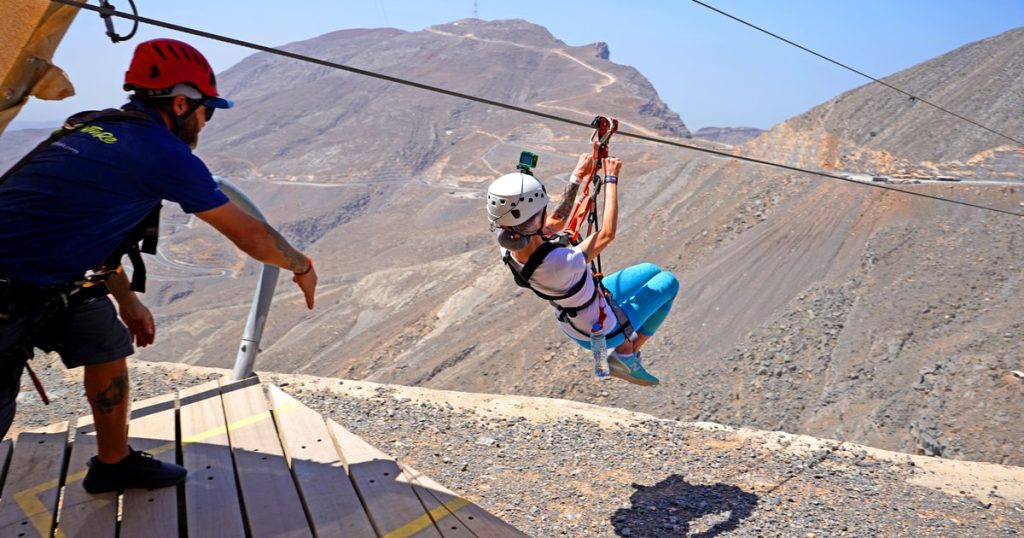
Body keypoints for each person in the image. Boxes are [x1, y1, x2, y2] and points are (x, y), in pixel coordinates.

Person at [0, 38, 318, 494]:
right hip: (11, 290)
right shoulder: (162, 152)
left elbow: (82, 230)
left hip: (46, 280)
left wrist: (127, 301)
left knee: (105, 341)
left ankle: (115, 464)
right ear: (182, 102)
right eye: (207, 109)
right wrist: (301, 265)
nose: (206, 121)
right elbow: (249, 235)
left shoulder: (93, 126)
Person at [486, 153, 678, 386]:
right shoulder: (559, 262)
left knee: (650, 270)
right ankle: (626, 355)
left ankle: (624, 348)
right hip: (599, 329)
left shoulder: (509, 247)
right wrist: (610, 180)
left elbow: (556, 222)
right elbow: (606, 234)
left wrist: (579, 174)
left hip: (576, 313)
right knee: (668, 282)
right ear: (534, 220)